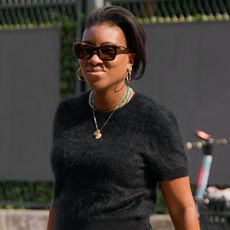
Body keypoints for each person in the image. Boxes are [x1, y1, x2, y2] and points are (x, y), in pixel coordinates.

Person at [47, 5, 200, 230]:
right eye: (85, 50)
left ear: (130, 59)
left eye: (107, 51)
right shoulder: (67, 113)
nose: (94, 59)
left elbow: (182, 208)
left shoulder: (154, 120)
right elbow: (60, 199)